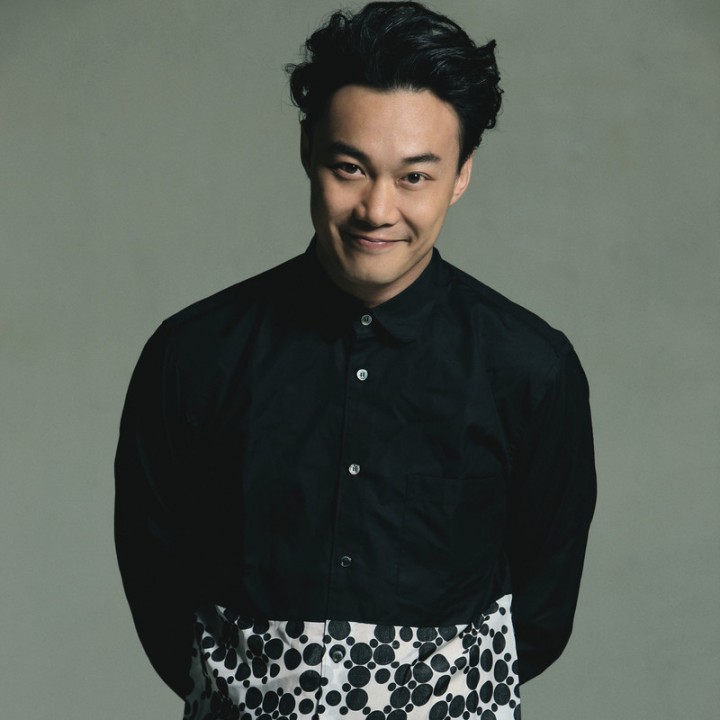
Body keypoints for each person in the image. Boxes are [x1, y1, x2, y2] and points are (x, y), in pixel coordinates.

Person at [114, 3, 596, 719]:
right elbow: (156, 577)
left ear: (461, 174)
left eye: (415, 177)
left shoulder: (531, 367)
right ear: (307, 149)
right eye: (350, 168)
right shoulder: (192, 355)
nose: (377, 209)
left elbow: (543, 603)